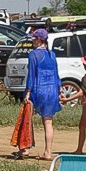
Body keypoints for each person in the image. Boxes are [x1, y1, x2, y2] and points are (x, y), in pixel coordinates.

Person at [23, 28, 61, 159]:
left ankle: (25, 149)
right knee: (48, 122)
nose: (32, 41)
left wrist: (28, 91)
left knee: (27, 118)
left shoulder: (33, 55)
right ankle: (48, 152)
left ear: (39, 40)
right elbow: (57, 75)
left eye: (33, 39)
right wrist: (59, 90)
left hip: (38, 90)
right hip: (52, 90)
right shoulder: (52, 55)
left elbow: (32, 76)